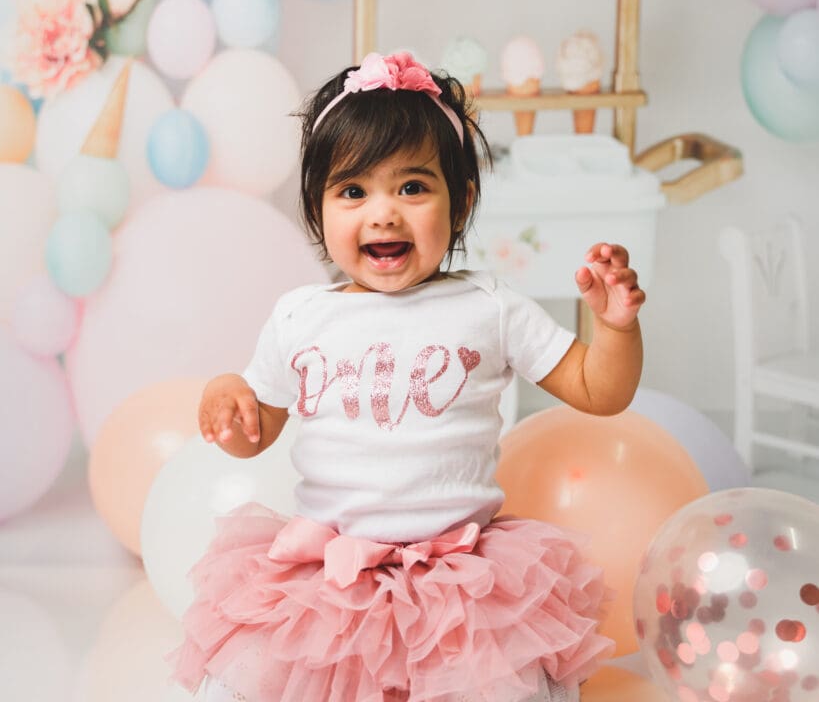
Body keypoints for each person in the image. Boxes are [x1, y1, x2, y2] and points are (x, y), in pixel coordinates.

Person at [171, 51, 645, 702]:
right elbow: (259, 428)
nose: (383, 213)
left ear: (462, 201)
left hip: (460, 576)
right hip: (331, 574)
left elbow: (599, 391)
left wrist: (614, 328)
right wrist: (231, 399)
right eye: (353, 191)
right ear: (318, 207)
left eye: (412, 187)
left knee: (510, 688)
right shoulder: (301, 316)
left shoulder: (489, 306)